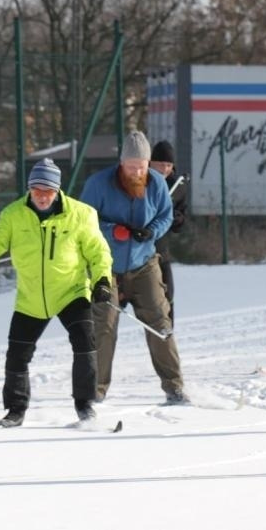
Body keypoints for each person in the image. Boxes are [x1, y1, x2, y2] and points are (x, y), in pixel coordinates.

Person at [0, 158, 114, 427]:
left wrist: (102, 281)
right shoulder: (13, 214)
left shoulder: (82, 214)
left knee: (85, 341)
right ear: (29, 189)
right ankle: (15, 411)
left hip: (71, 291)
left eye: (48, 191)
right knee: (17, 354)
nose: (42, 196)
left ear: (57, 190)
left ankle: (85, 406)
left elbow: (98, 253)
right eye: (37, 190)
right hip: (31, 297)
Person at [80, 131, 187, 404]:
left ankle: (174, 386)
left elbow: (166, 215)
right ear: (121, 163)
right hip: (105, 264)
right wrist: (112, 229)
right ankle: (96, 389)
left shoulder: (157, 184)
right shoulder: (98, 184)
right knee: (103, 326)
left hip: (144, 263)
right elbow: (83, 221)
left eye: (141, 166)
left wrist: (151, 231)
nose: (137, 172)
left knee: (160, 321)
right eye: (131, 166)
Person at [150, 140, 187, 325]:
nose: (164, 169)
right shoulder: (141, 181)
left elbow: (179, 224)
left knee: (167, 294)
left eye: (168, 165)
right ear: (150, 163)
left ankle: (167, 333)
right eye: (160, 165)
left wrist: (177, 218)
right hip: (135, 249)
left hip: (161, 250)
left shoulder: (177, 186)